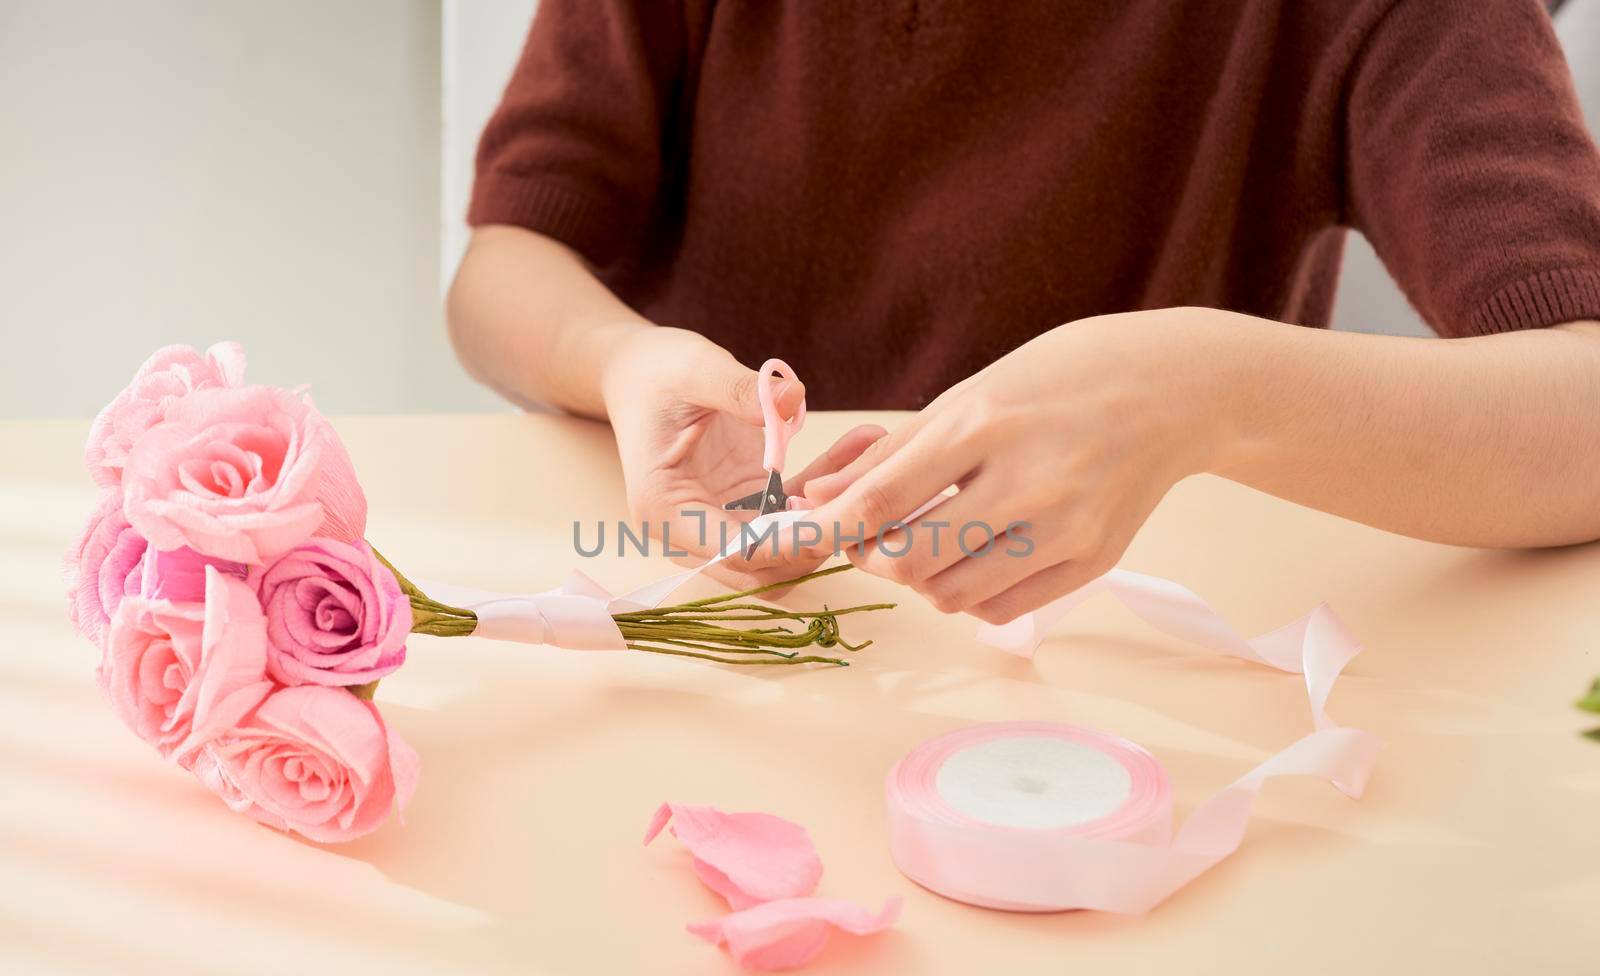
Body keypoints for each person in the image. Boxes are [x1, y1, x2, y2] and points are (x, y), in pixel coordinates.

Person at [447, 0, 1600, 625]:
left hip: (1116, 694)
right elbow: (504, 266)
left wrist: (1209, 390)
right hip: (708, 628)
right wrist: (618, 359)